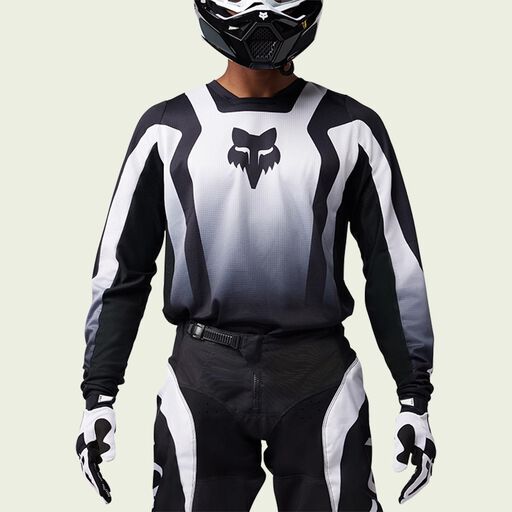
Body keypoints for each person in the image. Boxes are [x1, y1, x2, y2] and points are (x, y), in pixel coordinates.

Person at [76, 1, 436, 510]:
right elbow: (122, 268)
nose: (262, 12)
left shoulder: (352, 128)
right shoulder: (166, 129)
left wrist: (413, 394)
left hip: (317, 375)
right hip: (204, 374)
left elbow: (391, 265)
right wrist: (100, 394)